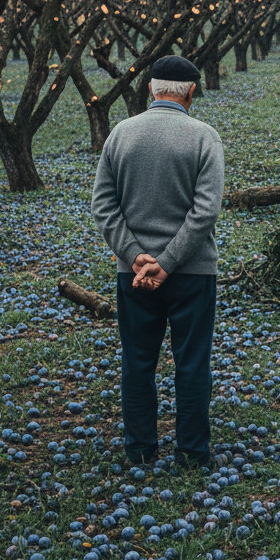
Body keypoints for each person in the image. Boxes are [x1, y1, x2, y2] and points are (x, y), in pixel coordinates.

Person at [91, 55, 224, 468]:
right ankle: (192, 452)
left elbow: (103, 204)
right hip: (192, 273)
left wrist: (135, 256)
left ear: (150, 88)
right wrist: (167, 263)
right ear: (193, 92)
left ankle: (141, 450)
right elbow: (205, 212)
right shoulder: (204, 137)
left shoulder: (120, 134)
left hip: (133, 275)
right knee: (192, 363)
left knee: (137, 361)